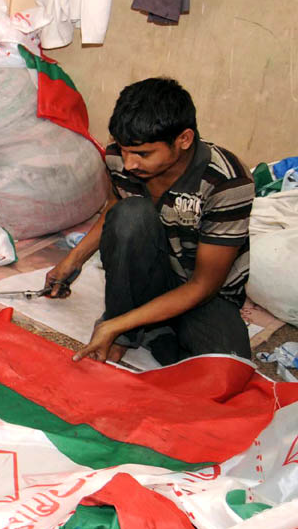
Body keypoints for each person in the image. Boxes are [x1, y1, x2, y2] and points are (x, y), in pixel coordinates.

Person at [43, 77, 252, 365]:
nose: (129, 164)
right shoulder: (121, 157)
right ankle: (136, 329)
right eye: (124, 150)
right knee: (130, 215)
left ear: (184, 140)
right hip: (149, 278)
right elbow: (118, 207)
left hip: (202, 294)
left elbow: (204, 285)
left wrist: (116, 324)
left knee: (227, 364)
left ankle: (148, 327)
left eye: (143, 154)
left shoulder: (226, 180)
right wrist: (75, 258)